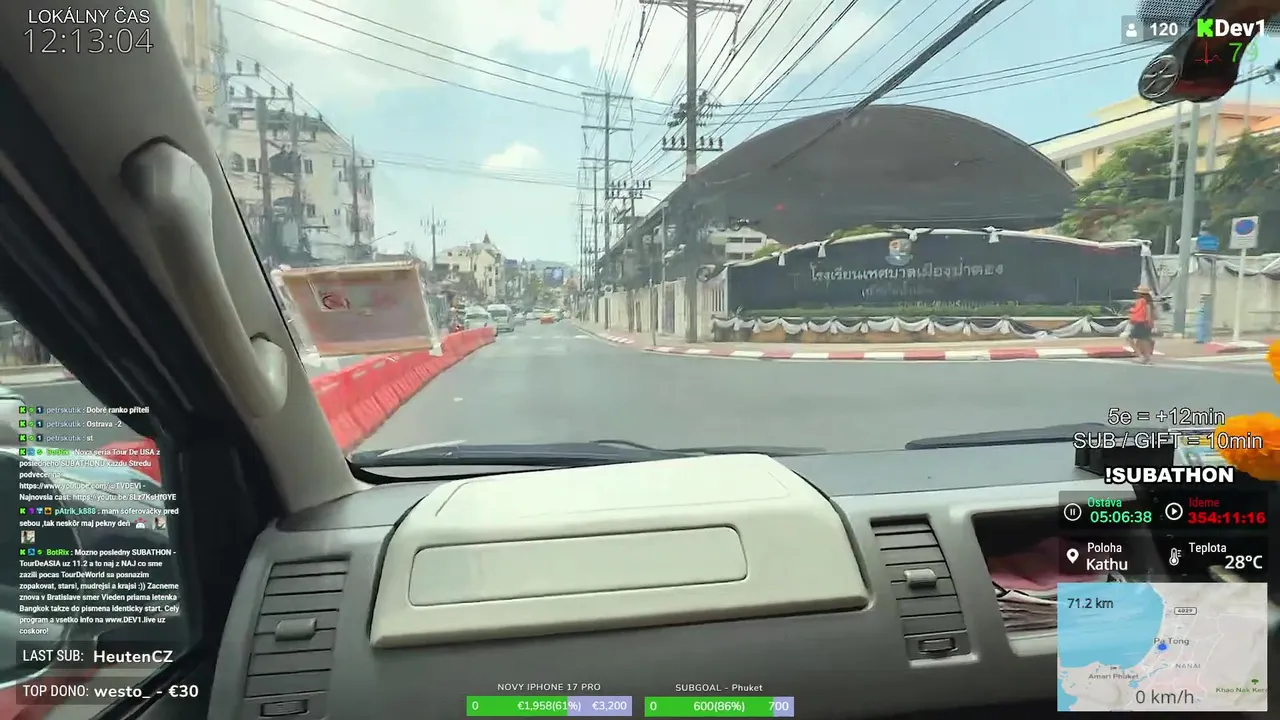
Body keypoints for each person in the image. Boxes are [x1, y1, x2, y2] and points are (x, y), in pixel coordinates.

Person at [1129, 285, 1157, 364]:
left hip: (1141, 322)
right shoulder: (1149, 302)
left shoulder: (1142, 301)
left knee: (1131, 339)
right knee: (1143, 340)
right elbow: (1153, 314)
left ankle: (1141, 356)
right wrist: (1151, 322)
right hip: (1145, 323)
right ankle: (1146, 357)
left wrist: (1148, 321)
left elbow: (1147, 312)